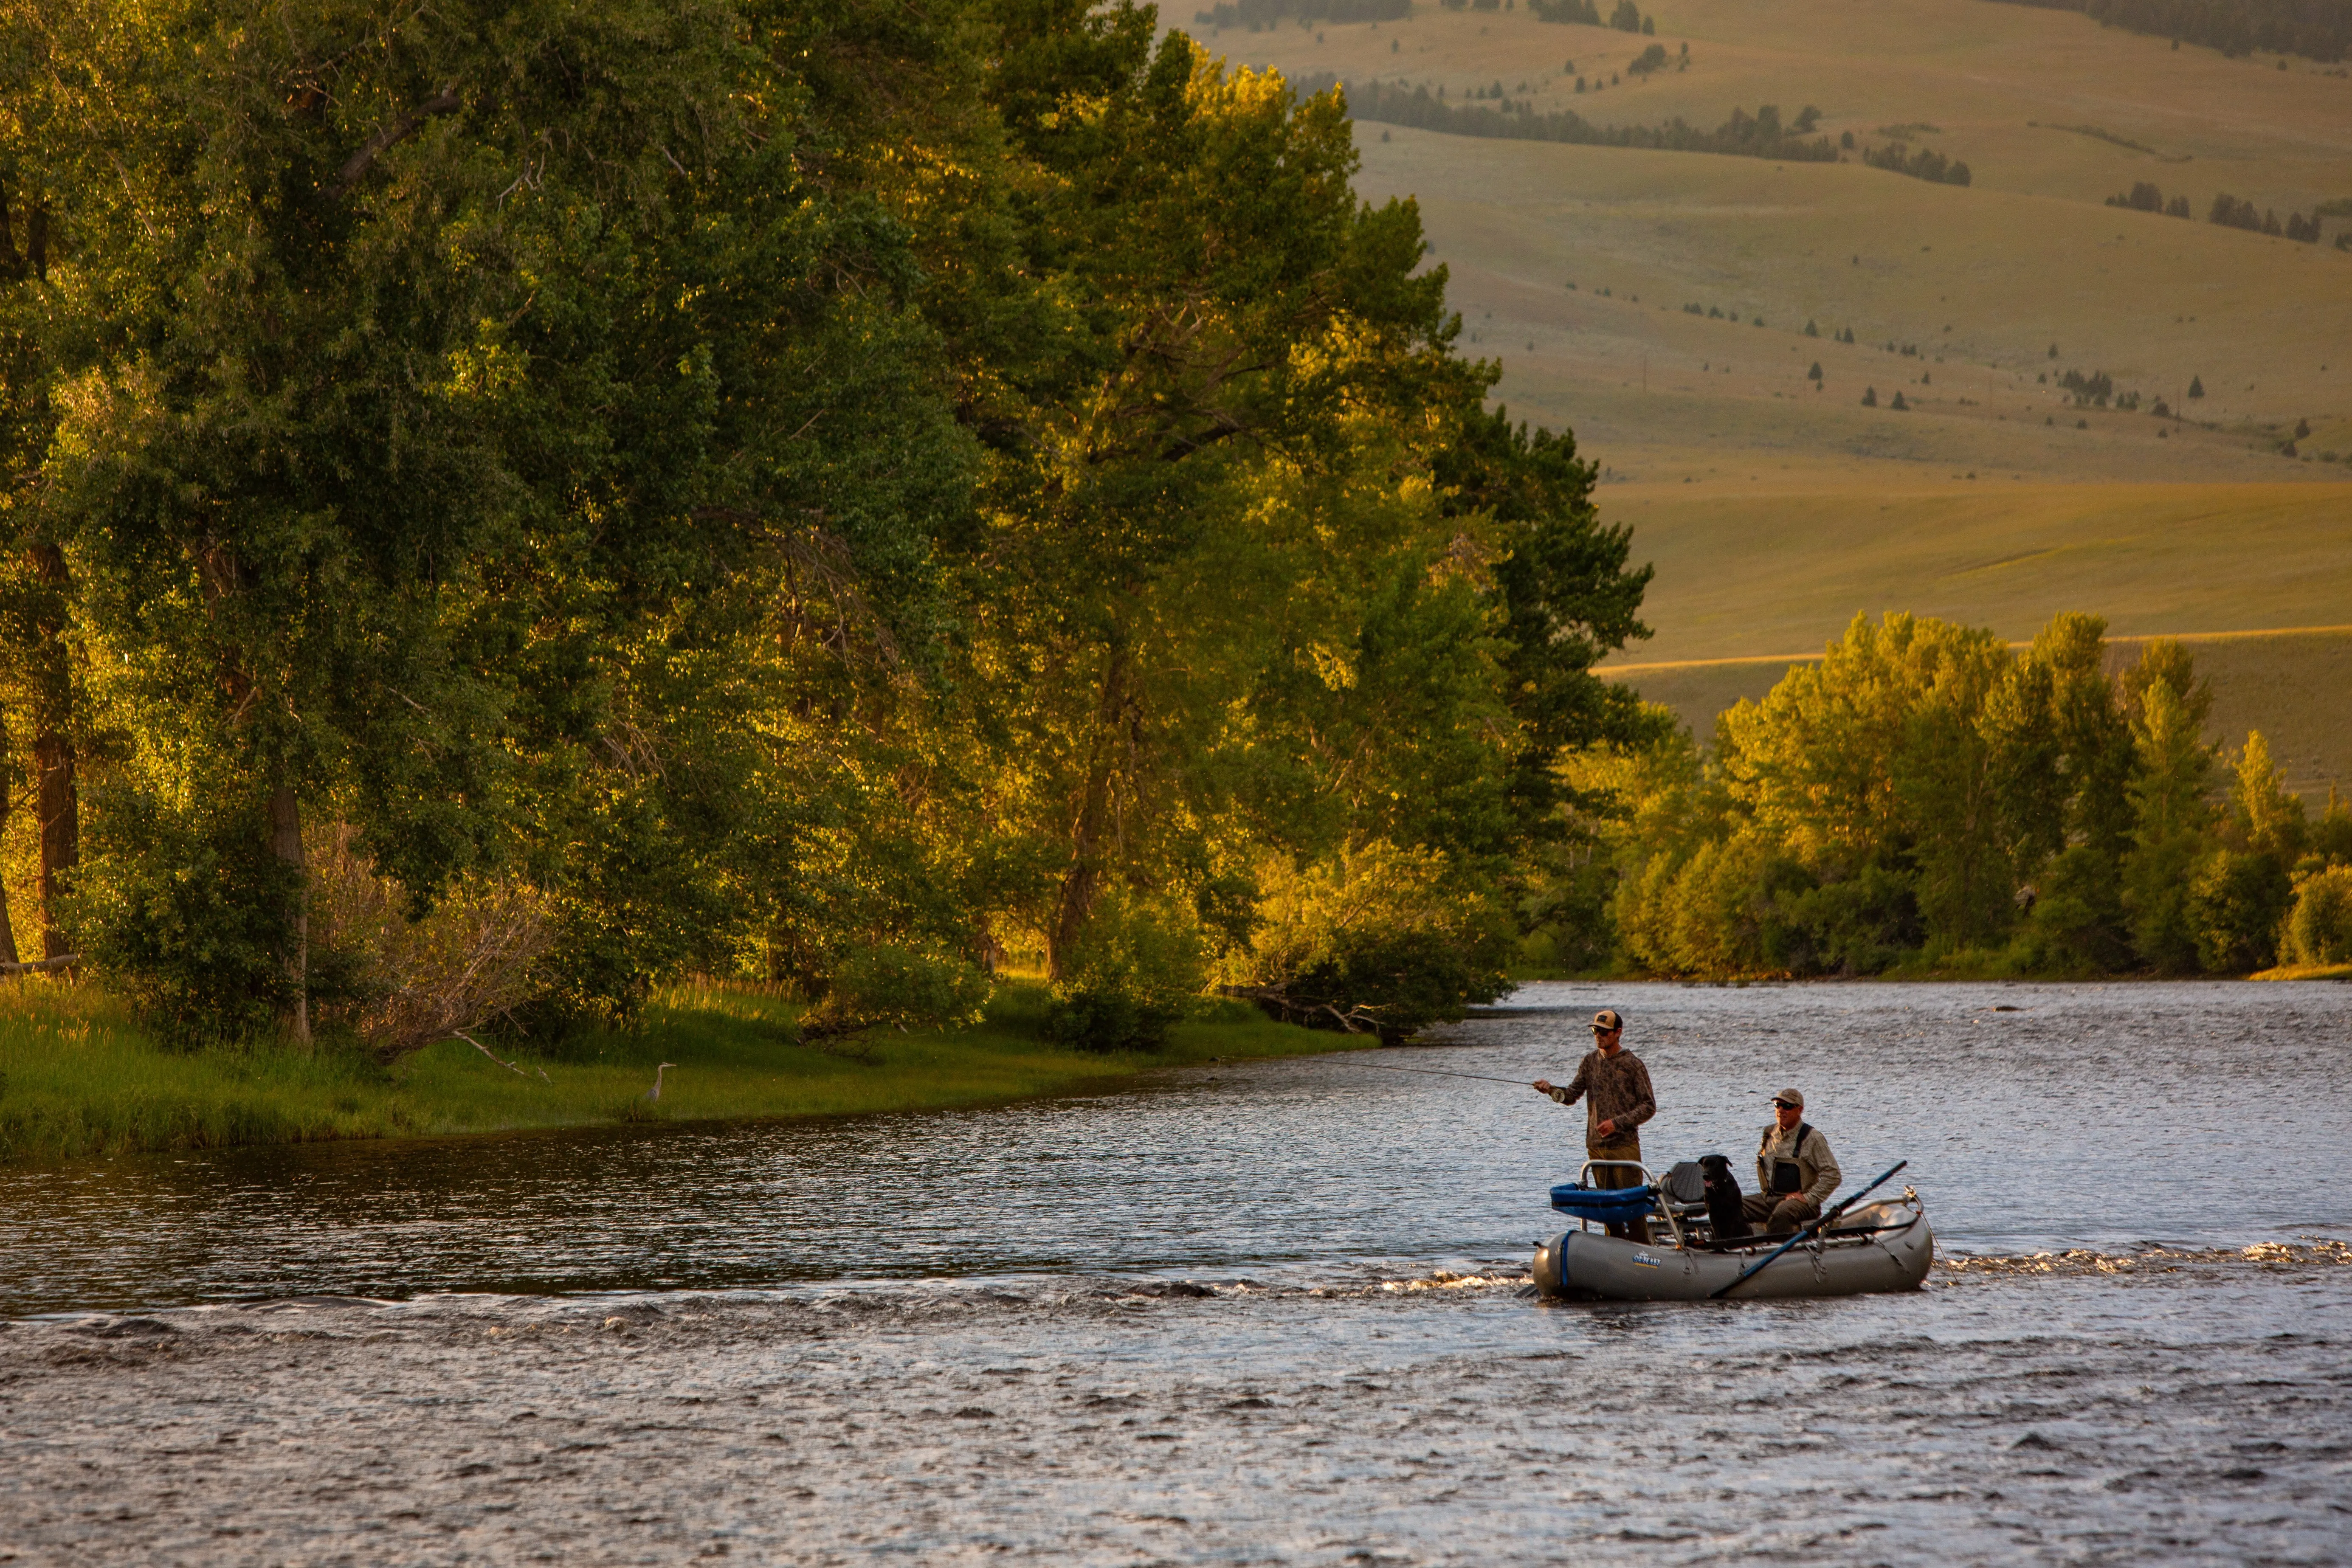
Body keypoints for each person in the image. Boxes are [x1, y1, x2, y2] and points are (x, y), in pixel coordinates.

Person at [1532, 1008, 1656, 1241]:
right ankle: (1613, 1251)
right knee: (1607, 1209)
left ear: (1618, 1033)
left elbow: (1649, 1106)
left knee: (1632, 1209)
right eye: (1595, 1031)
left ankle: (1642, 1250)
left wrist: (1616, 1124)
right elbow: (1570, 1096)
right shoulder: (1589, 1062)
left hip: (1624, 1146)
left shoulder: (1633, 1065)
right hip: (1596, 1147)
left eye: (1604, 1032)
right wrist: (1550, 1090)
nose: (1598, 1036)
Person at [1744, 1087, 1841, 1234]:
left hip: (1803, 1205)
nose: (1781, 1110)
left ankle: (1778, 1245)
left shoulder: (1813, 1138)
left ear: (1800, 1110)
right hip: (1769, 1199)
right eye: (1778, 1105)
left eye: (1788, 1106)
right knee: (1729, 1206)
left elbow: (1833, 1176)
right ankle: (1734, 1244)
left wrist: (1808, 1197)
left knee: (1783, 1212)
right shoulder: (1769, 1133)